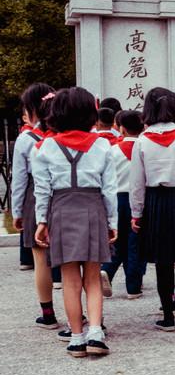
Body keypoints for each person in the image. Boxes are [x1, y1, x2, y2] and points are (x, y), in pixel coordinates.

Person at [32, 87, 117, 358]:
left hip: (61, 209)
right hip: (93, 208)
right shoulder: (102, 145)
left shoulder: (46, 146)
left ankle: (77, 337)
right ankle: (95, 333)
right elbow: (110, 189)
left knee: (69, 279)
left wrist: (41, 220)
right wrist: (112, 221)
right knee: (92, 277)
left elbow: (42, 190)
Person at [131, 87, 175, 331]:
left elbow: (137, 182)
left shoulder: (141, 141)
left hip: (155, 202)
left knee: (162, 260)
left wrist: (136, 212)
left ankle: (168, 316)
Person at [11, 83, 57, 330]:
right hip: (63, 197)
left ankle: (47, 313)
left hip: (34, 197)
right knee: (72, 261)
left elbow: (19, 180)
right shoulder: (64, 135)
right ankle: (81, 314)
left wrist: (17, 211)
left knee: (41, 261)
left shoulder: (26, 140)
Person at [100, 110, 146, 300]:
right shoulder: (145, 149)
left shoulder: (112, 150)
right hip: (138, 199)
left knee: (117, 242)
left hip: (117, 199)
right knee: (136, 244)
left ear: (121, 128)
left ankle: (107, 271)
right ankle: (133, 287)